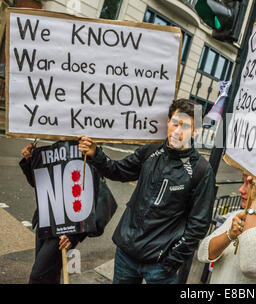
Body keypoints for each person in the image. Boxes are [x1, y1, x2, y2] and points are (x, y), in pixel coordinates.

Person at [78, 98, 215, 284]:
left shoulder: (201, 170)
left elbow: (198, 225)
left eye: (185, 126)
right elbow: (118, 171)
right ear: (168, 121)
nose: (177, 131)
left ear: (196, 131)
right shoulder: (151, 150)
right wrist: (96, 154)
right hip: (126, 256)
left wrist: (171, 261)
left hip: (161, 266)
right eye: (175, 123)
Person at [20, 141, 86, 284]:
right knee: (49, 275)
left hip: (66, 227)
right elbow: (40, 184)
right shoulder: (54, 149)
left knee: (38, 277)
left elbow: (93, 199)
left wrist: (74, 234)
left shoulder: (85, 150)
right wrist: (30, 161)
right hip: (45, 219)